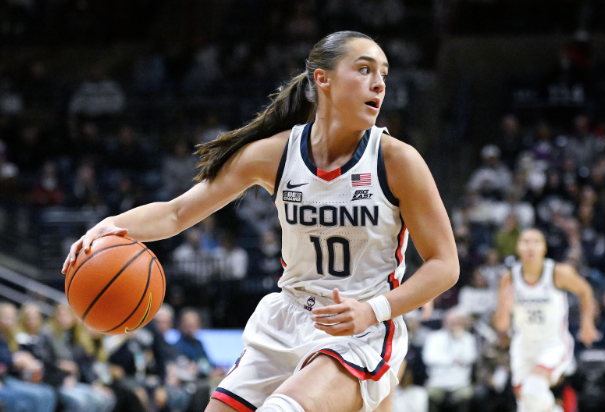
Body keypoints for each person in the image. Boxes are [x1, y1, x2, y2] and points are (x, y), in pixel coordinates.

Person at [62, 31, 459, 412]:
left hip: (359, 330)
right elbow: (176, 212)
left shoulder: (398, 161)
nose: (379, 84)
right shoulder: (275, 155)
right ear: (322, 79)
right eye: (364, 69)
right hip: (287, 319)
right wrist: (108, 226)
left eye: (383, 74)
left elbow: (445, 265)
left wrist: (374, 310)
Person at [494, 228, 598, 412]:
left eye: (536, 242)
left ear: (544, 248)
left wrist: (587, 324)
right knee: (525, 404)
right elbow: (501, 325)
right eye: (525, 241)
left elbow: (585, 291)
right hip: (523, 345)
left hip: (553, 344)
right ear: (518, 247)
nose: (530, 246)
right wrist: (504, 306)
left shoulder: (558, 273)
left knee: (533, 389)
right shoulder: (509, 278)